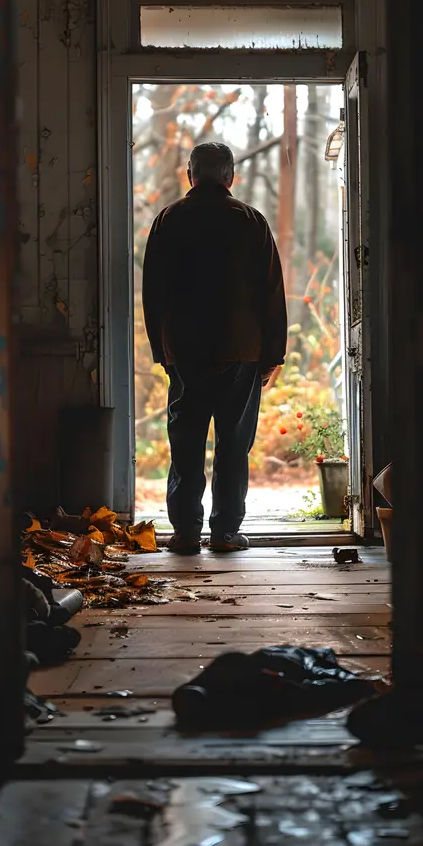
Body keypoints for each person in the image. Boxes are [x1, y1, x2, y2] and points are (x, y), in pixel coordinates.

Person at [142, 141, 287, 554]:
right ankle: (225, 533)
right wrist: (273, 354)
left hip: (186, 351)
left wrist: (162, 351)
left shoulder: (169, 220)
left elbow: (153, 293)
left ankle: (186, 533)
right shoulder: (251, 221)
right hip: (241, 351)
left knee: (186, 444)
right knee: (234, 445)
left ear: (190, 175)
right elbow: (271, 294)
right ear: (230, 176)